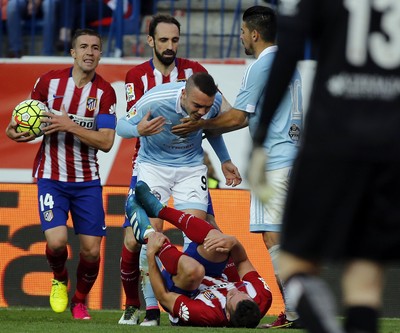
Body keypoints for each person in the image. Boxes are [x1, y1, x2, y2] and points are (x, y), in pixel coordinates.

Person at [248, 1, 400, 333]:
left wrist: (259, 140)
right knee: (365, 279)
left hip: (333, 139)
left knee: (293, 260)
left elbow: (286, 54)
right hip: (389, 143)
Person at [171, 5, 303, 328]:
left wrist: (198, 126)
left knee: (274, 239)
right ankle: (299, 308)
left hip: (274, 164)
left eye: (243, 32)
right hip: (293, 160)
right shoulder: (289, 64)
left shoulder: (259, 67)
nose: (241, 37)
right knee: (284, 238)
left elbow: (239, 116)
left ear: (254, 34)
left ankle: (297, 312)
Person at [117, 14, 234, 326]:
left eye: (175, 40)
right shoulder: (144, 85)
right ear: (151, 41)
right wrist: (138, 129)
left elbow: (216, 126)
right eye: (164, 40)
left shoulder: (200, 79)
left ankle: (178, 303)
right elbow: (122, 124)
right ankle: (146, 307)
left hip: (190, 167)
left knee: (197, 234)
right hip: (152, 165)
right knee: (141, 237)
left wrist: (223, 160)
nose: (170, 46)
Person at [5, 28, 117, 320]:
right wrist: (16, 130)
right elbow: (27, 121)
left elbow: (106, 142)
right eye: (84, 46)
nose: (90, 52)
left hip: (86, 182)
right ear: (73, 53)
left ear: (100, 53)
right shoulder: (48, 82)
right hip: (51, 178)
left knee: (91, 252)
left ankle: (79, 300)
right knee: (56, 242)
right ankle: (59, 278)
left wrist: (70, 125)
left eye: (95, 47)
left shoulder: (105, 92)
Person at [126, 180, 272, 327]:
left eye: (231, 296)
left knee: (195, 271)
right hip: (214, 276)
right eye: (244, 294)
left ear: (227, 315)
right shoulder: (262, 296)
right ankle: (160, 210)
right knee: (218, 242)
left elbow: (164, 297)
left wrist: (151, 255)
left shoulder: (205, 314)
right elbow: (241, 261)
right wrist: (234, 242)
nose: (235, 290)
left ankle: (148, 234)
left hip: (182, 288)